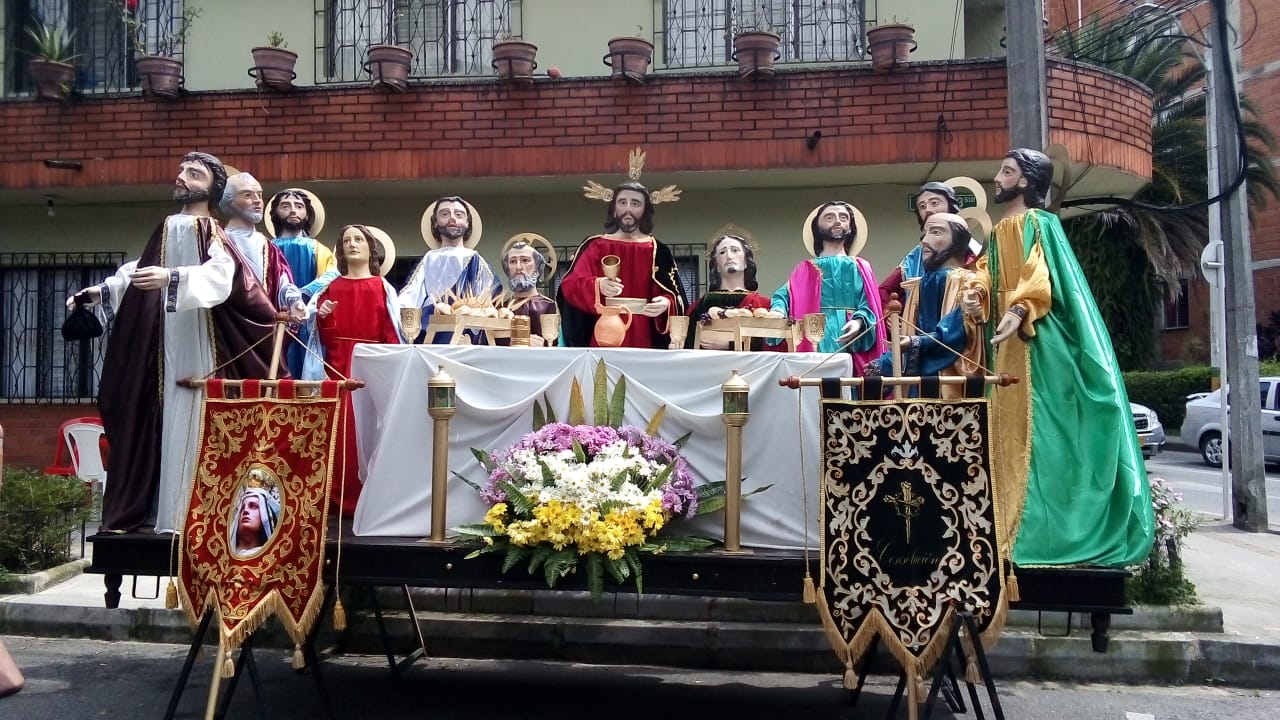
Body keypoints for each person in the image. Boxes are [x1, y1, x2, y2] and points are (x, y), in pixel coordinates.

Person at [68, 151, 283, 534]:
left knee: (194, 416)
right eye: (183, 170)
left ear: (212, 187)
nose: (182, 177)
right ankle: (158, 510)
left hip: (201, 342)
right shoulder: (168, 226)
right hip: (163, 343)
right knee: (157, 418)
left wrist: (173, 278)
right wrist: (99, 292)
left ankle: (193, 512)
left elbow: (222, 274)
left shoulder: (212, 230)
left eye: (193, 173)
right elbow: (138, 270)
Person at [981, 147, 1153, 568]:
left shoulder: (1039, 222)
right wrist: (976, 294)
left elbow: (1038, 275)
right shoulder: (998, 228)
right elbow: (990, 273)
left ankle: (1041, 531)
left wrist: (1019, 308)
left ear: (1024, 182)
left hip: (1038, 339)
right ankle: (1006, 523)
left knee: (1041, 431)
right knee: (1006, 429)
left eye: (1006, 172)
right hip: (1005, 340)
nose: (997, 178)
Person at [303, 225, 405, 516]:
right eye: (346, 240)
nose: (352, 244)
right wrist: (322, 317)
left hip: (372, 365)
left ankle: (372, 496)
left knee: (373, 430)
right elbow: (320, 338)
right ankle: (338, 498)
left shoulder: (382, 287)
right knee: (341, 432)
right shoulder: (329, 288)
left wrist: (390, 367)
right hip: (337, 367)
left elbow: (391, 332)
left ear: (372, 248)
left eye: (358, 239)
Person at [865, 213, 987, 396]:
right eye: (924, 234)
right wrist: (886, 362)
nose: (924, 241)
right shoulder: (920, 284)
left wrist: (915, 342)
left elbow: (957, 331)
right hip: (921, 380)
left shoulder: (966, 282)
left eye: (936, 232)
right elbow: (912, 331)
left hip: (948, 380)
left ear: (958, 240)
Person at [557, 181, 688, 348]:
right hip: (605, 329)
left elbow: (676, 294)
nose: (628, 209)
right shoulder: (595, 246)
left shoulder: (658, 250)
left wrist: (666, 303)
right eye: (622, 202)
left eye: (635, 203)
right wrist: (598, 285)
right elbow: (570, 284)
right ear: (614, 208)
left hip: (644, 332)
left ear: (645, 209)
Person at [770, 201, 883, 372]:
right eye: (829, 217)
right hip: (815, 333)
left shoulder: (860, 266)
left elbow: (869, 303)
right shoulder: (806, 268)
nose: (837, 221)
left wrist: (860, 321)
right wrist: (778, 310)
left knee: (847, 388)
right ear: (817, 227)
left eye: (843, 217)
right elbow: (783, 296)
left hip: (850, 337)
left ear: (851, 226)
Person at [397, 196, 502, 343]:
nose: (452, 218)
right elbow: (411, 294)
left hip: (465, 329)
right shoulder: (429, 258)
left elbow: (488, 297)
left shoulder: (474, 258)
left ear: (467, 223)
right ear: (435, 222)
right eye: (445, 214)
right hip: (432, 326)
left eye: (459, 215)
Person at [268, 188, 337, 377]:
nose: (293, 210)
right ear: (274, 213)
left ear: (307, 214)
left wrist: (303, 292)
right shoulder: (267, 247)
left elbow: (331, 275)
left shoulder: (318, 249)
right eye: (285, 206)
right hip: (274, 318)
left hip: (308, 319)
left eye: (299, 206)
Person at [219, 173, 306, 321]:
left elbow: (282, 281)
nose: (257, 201)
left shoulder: (268, 246)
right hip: (228, 324)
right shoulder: (219, 240)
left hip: (264, 324)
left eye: (259, 195)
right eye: (247, 195)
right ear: (230, 200)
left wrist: (294, 301)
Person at [879, 182, 963, 307]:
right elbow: (885, 290)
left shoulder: (970, 248)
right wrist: (890, 313)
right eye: (922, 206)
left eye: (934, 203)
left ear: (951, 206)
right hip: (922, 320)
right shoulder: (915, 257)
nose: (928, 210)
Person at [686, 230, 771, 350]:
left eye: (735, 250)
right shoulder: (700, 306)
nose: (729, 256)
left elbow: (770, 344)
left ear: (746, 262)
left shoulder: (764, 305)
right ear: (717, 266)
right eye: (722, 252)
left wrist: (730, 344)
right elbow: (688, 345)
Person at [498, 234, 558, 347]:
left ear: (537, 269)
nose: (518, 267)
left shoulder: (551, 307)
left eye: (525, 260)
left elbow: (562, 346)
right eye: (513, 262)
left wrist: (544, 346)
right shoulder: (500, 308)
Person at [230, 483, 281, 557]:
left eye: (253, 506)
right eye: (242, 507)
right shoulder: (223, 555)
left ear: (264, 515)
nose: (245, 510)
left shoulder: (269, 557)